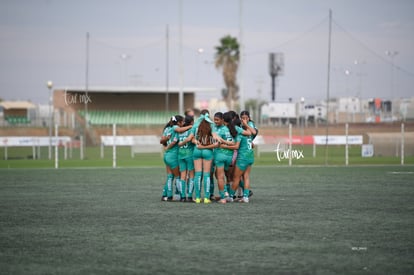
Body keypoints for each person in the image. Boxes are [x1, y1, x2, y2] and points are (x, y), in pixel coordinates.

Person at [227, 116, 256, 203]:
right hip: (250, 157)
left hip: (242, 158)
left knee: (236, 178)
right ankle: (246, 197)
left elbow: (236, 146)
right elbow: (253, 145)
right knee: (246, 177)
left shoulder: (240, 134)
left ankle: (231, 196)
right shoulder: (248, 133)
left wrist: (224, 146)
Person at [191, 110, 218, 204]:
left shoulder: (195, 125)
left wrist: (196, 142)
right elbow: (215, 138)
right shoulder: (212, 125)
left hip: (197, 150)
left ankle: (198, 198)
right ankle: (206, 198)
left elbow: (191, 138)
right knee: (206, 175)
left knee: (198, 174)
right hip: (208, 151)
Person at [214, 111, 240, 204]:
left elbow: (218, 142)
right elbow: (236, 144)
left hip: (220, 155)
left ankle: (223, 198)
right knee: (228, 176)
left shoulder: (222, 129)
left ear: (223, 120)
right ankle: (228, 194)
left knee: (220, 177)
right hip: (230, 157)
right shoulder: (236, 129)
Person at [160, 115, 182, 201]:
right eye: (182, 122)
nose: (183, 123)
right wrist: (169, 147)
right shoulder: (175, 129)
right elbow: (174, 142)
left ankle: (166, 195)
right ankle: (182, 195)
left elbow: (161, 140)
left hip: (167, 155)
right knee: (178, 176)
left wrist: (166, 148)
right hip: (173, 155)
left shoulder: (167, 129)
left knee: (170, 176)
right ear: (178, 123)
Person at [177, 115, 195, 202]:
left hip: (180, 155)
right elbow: (192, 140)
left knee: (182, 176)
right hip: (189, 155)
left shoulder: (180, 131)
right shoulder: (191, 130)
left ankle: (182, 197)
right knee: (191, 175)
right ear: (191, 122)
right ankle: (190, 196)